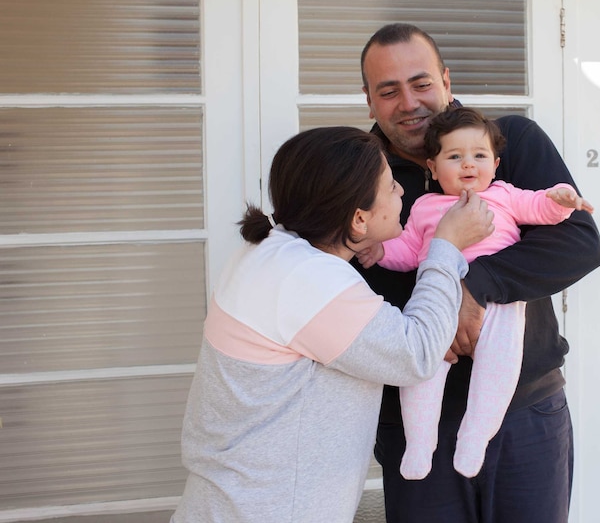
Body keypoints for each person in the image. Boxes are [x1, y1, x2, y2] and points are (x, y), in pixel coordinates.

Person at [171, 126, 494, 523]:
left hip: (229, 503)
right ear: (359, 219)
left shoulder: (268, 251)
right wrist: (445, 245)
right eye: (391, 186)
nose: (402, 193)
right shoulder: (309, 279)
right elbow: (417, 354)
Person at [358, 23, 600, 522]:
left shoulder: (507, 143)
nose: (409, 102)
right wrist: (431, 318)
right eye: (389, 90)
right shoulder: (357, 172)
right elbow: (353, 272)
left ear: (446, 81)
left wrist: (474, 287)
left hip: (525, 409)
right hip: (412, 414)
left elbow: (577, 242)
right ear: (370, 101)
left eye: (421, 82)